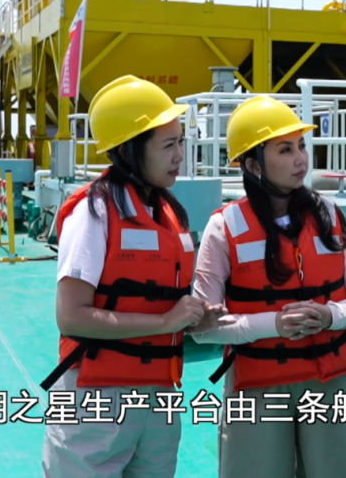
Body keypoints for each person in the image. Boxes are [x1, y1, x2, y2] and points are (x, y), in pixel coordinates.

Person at [41, 75, 227, 478]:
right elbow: (71, 317)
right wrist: (165, 322)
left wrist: (194, 321)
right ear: (130, 149)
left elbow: (162, 305)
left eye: (181, 142)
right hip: (96, 394)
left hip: (159, 393)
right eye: (168, 145)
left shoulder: (168, 212)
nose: (180, 155)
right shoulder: (93, 213)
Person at [191, 95, 346, 478]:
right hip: (257, 385)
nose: (300, 159)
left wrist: (330, 315)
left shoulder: (329, 216)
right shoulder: (223, 228)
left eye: (301, 146)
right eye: (285, 149)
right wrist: (274, 324)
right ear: (253, 165)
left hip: (328, 382)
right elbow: (202, 330)